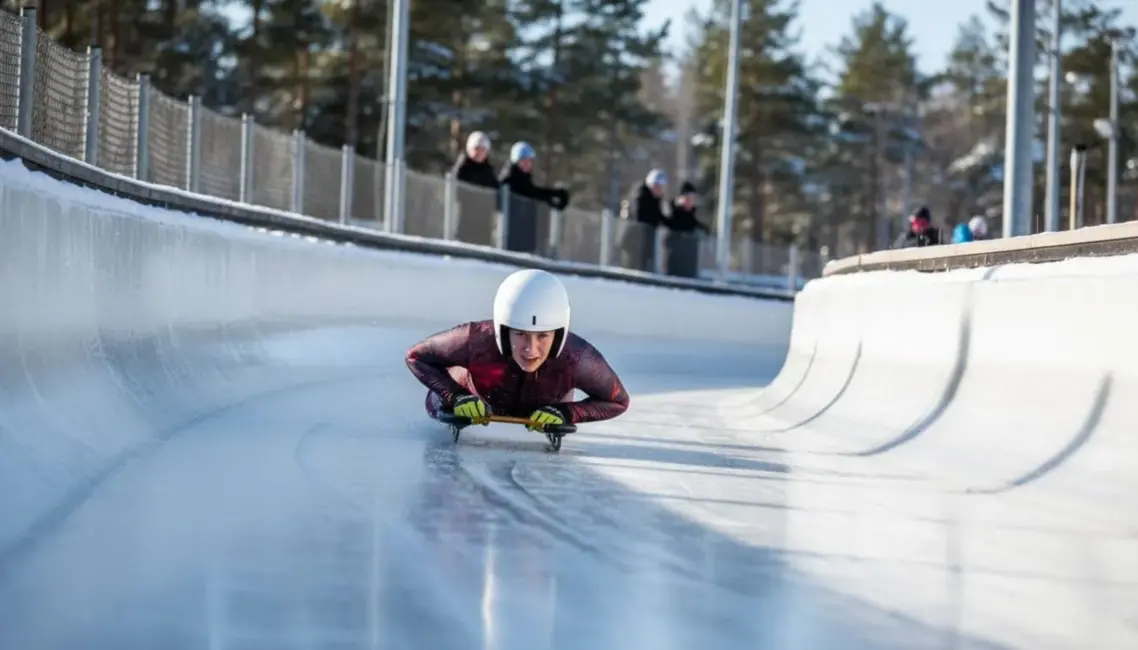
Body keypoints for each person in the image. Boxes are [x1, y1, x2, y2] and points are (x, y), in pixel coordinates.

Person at [405, 269, 629, 432]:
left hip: (545, 404)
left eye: (542, 336)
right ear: (503, 331)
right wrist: (455, 396)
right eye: (521, 334)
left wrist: (568, 413)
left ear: (559, 335)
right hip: (470, 394)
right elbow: (416, 356)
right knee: (439, 394)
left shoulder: (578, 357)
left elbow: (618, 401)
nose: (531, 350)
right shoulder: (475, 338)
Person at [498, 142, 570, 255]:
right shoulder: (510, 179)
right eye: (524, 160)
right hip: (510, 233)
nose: (528, 164)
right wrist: (551, 197)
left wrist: (554, 196)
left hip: (523, 234)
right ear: (516, 161)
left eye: (530, 161)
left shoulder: (524, 178)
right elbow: (529, 193)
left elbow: (532, 192)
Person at [665, 180, 709, 278]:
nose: (690, 202)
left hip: (688, 265)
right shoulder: (673, 213)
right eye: (688, 198)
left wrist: (705, 229)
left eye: (692, 199)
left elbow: (694, 224)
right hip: (675, 263)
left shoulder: (691, 216)